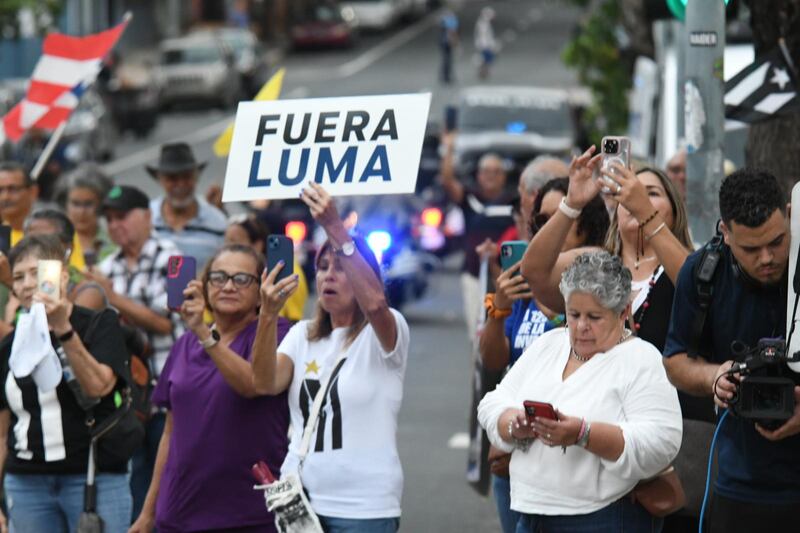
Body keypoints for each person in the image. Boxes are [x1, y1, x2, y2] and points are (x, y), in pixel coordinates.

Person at [478, 250, 682, 532]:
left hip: (603, 518)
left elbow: (660, 444)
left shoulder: (641, 359)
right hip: (530, 513)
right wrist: (515, 424)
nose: (581, 326)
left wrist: (583, 434)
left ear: (623, 312)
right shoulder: (549, 344)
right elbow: (492, 403)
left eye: (594, 317)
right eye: (573, 314)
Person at [252, 183, 410, 532]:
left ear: (365, 276)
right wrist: (267, 314)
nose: (328, 275)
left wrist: (334, 227)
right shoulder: (301, 335)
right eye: (323, 266)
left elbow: (375, 305)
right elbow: (264, 382)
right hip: (301, 503)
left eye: (341, 267)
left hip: (364, 509)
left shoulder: (386, 332)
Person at [663, 169, 800, 532]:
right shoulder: (705, 272)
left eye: (778, 241)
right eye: (751, 249)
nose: (767, 258)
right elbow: (675, 361)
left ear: (789, 214)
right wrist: (716, 375)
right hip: (739, 481)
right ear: (725, 232)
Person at [129, 244, 292, 533]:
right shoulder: (185, 344)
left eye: (242, 279)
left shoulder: (276, 333)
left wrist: (204, 333)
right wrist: (148, 512)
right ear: (205, 286)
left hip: (247, 515)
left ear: (261, 290)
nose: (228, 286)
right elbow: (170, 433)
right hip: (179, 512)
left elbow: (253, 384)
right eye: (218, 277)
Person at [480, 177, 609, 533]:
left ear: (588, 223)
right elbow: (493, 363)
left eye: (565, 216)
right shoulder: (524, 285)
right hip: (516, 455)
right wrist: (499, 309)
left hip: (572, 463)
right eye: (544, 221)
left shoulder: (602, 283)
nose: (555, 228)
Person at [0, 234, 134, 533]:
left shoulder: (98, 324)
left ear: (61, 275)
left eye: (36, 273)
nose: (26, 284)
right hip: (26, 482)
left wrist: (63, 328)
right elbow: (2, 429)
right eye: (18, 277)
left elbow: (99, 387)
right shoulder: (11, 344)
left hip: (92, 477)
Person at [83, 184, 183, 521]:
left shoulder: (175, 258)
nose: (115, 225)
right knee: (132, 486)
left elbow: (169, 321)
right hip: (127, 400)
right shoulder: (107, 266)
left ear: (147, 216)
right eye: (109, 219)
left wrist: (110, 296)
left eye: (122, 216)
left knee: (168, 485)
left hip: (167, 395)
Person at [440, 135, 514, 341]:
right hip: (474, 274)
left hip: (504, 276)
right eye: (486, 171)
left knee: (504, 329)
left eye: (496, 172)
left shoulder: (513, 201)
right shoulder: (470, 198)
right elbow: (447, 181)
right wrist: (449, 148)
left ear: (503, 176)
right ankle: (480, 367)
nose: (491, 176)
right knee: (478, 331)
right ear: (479, 175)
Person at [147, 143, 227, 270]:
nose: (180, 184)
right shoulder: (146, 217)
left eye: (186, 177)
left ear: (196, 177)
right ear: (160, 179)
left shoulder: (218, 222)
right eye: (172, 178)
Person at [224, 214, 309, 322]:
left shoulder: (288, 269)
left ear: (257, 245)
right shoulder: (225, 270)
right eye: (226, 241)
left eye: (234, 241)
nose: (227, 248)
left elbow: (291, 319)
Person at [23, 209, 106, 311]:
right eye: (30, 241)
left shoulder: (88, 292)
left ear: (68, 247)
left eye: (47, 240)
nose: (37, 248)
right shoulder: (21, 283)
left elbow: (61, 325)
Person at [57, 163, 116, 268]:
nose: (81, 212)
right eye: (76, 203)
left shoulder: (115, 240)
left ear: (101, 205)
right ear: (65, 204)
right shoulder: (55, 243)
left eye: (88, 204)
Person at [0, 162, 37, 247]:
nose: (5, 197)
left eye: (13, 189)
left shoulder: (49, 235)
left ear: (33, 191)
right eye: (0, 190)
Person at [474, 7, 498, 80]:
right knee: (486, 60)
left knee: (487, 60)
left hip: (484, 44)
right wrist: (490, 45)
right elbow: (483, 36)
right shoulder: (484, 24)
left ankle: (484, 73)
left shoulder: (483, 22)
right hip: (485, 45)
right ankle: (483, 73)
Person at [439, 9, 459, 83]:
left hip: (443, 42)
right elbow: (452, 32)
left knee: (445, 59)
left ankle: (444, 76)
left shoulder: (444, 20)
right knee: (447, 60)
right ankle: (446, 76)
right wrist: (454, 42)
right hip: (447, 42)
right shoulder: (452, 20)